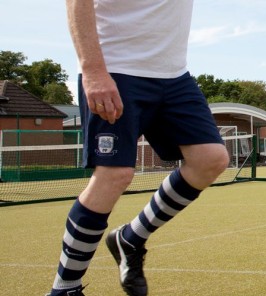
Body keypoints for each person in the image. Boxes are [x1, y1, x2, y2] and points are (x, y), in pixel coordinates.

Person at [52, 1, 230, 295]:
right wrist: (93, 70)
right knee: (115, 175)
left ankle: (130, 238)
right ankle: (65, 289)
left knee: (210, 159)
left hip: (174, 75)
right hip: (115, 69)